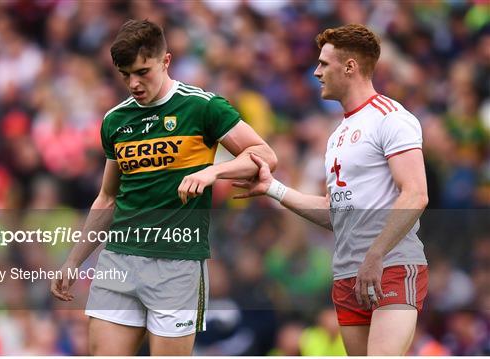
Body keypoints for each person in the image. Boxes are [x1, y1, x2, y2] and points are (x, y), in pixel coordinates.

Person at [50, 19, 276, 356]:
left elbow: (264, 156)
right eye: (125, 74)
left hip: (178, 264)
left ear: (166, 61)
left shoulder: (202, 107)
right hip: (120, 259)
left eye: (143, 71)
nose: (134, 83)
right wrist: (74, 261)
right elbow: (109, 197)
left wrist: (214, 172)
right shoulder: (115, 121)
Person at [234, 24, 429, 356]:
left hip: (391, 266)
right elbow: (334, 212)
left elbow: (415, 194)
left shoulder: (392, 118)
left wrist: (376, 254)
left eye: (324, 64)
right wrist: (273, 188)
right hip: (348, 273)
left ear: (349, 67)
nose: (316, 71)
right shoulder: (338, 134)